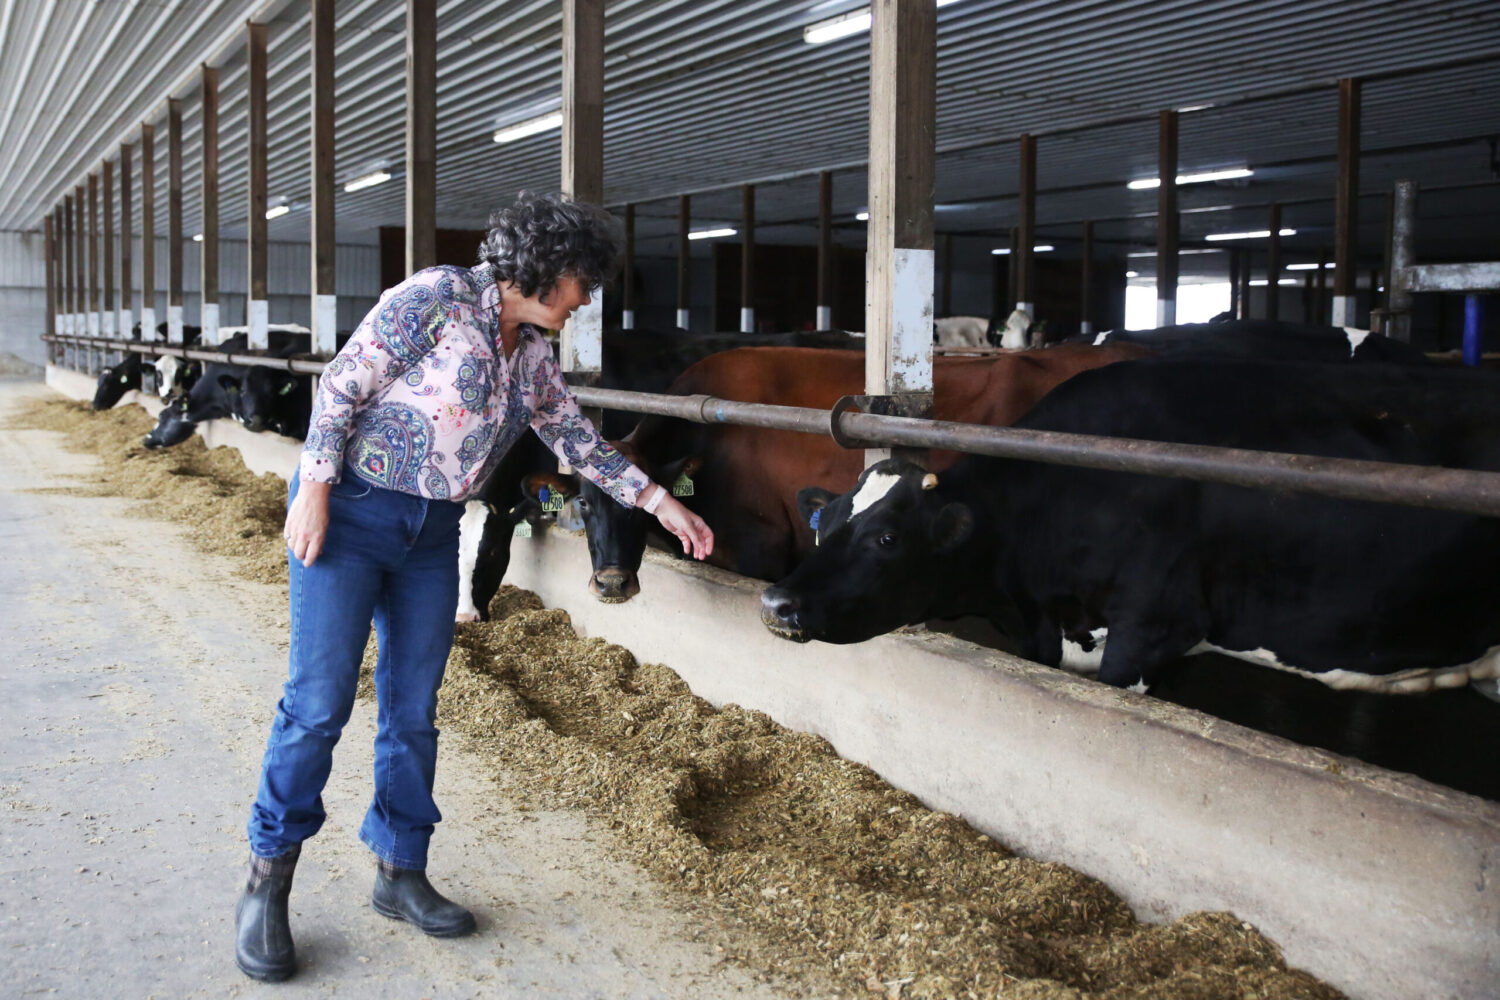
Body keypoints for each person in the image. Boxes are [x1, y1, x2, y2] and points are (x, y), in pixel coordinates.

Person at [234, 193, 712, 982]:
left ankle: (399, 869)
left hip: (431, 534)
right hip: (350, 512)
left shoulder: (528, 351)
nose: (587, 298)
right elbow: (343, 385)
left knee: (413, 710)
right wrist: (313, 487)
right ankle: (267, 875)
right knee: (318, 704)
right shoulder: (435, 297)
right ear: (552, 270)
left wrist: (658, 502)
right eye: (583, 282)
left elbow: (574, 437)